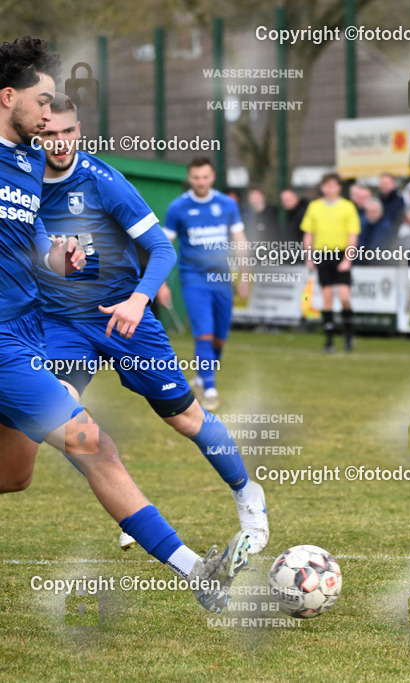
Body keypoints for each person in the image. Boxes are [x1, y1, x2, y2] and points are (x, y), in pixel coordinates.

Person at [0, 36, 248, 612]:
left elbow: (24, 232)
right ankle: (196, 572)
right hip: (6, 345)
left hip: (29, 331)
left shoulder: (29, 161)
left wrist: (58, 253)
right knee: (95, 446)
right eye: (41, 101)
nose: (48, 112)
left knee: (14, 476)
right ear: (8, 97)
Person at [35, 94, 269, 553]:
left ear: (78, 131)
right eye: (48, 134)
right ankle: (129, 503)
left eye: (67, 132)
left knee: (185, 418)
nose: (58, 143)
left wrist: (138, 301)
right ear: (35, 132)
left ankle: (247, 494)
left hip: (125, 318)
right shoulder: (21, 178)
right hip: (62, 321)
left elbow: (163, 250)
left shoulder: (105, 182)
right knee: (60, 416)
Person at [164, 157, 248, 410]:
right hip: (193, 279)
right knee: (204, 333)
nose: (201, 182)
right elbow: (165, 247)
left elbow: (240, 241)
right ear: (190, 179)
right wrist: (160, 283)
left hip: (222, 280)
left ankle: (201, 377)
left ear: (212, 178)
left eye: (205, 176)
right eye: (196, 177)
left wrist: (244, 275)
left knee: (219, 339)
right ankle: (210, 389)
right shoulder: (177, 208)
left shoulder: (226, 205)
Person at [301, 172, 360, 352]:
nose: (329, 189)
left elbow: (353, 235)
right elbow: (308, 234)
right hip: (323, 254)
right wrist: (309, 256)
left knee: (344, 297)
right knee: (326, 298)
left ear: (339, 187)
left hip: (341, 254)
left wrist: (348, 259)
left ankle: (348, 337)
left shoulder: (348, 207)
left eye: (333, 185)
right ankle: (329, 341)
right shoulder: (314, 206)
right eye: (326, 185)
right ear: (322, 187)